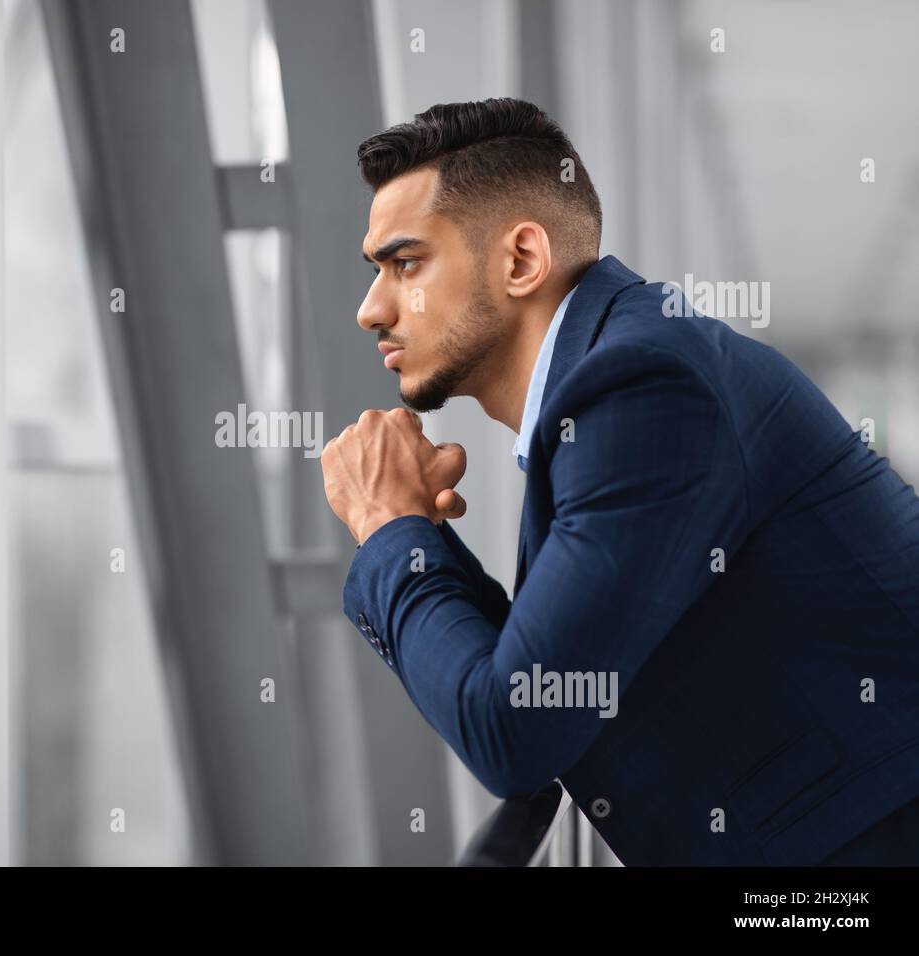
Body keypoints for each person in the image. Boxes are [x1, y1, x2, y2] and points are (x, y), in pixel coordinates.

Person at [320, 98, 919, 865]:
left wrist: (388, 527)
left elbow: (516, 731)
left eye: (406, 265)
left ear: (520, 261)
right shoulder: (616, 382)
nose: (372, 309)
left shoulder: (645, 386)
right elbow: (541, 677)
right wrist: (419, 539)